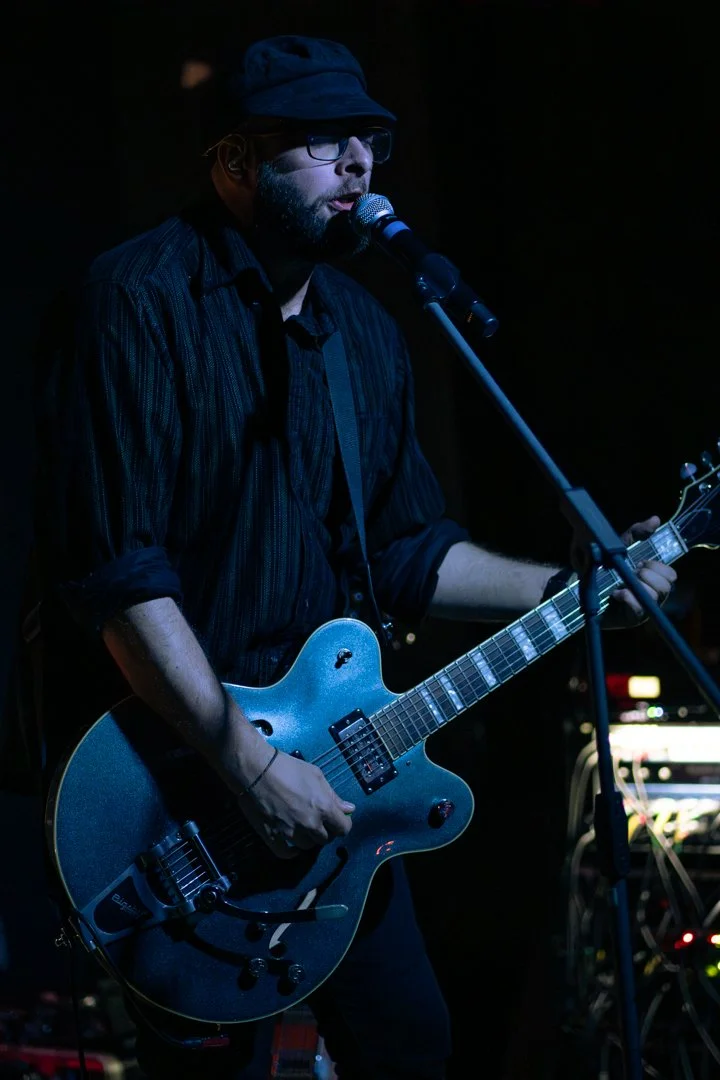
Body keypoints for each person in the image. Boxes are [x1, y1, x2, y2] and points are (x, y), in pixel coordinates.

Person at [31, 34, 677, 1080]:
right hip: (177, 779)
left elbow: (413, 554)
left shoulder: (365, 333)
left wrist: (583, 591)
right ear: (236, 162)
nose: (361, 164)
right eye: (322, 143)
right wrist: (249, 765)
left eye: (369, 139)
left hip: (331, 772)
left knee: (410, 1046)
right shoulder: (136, 301)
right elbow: (117, 574)